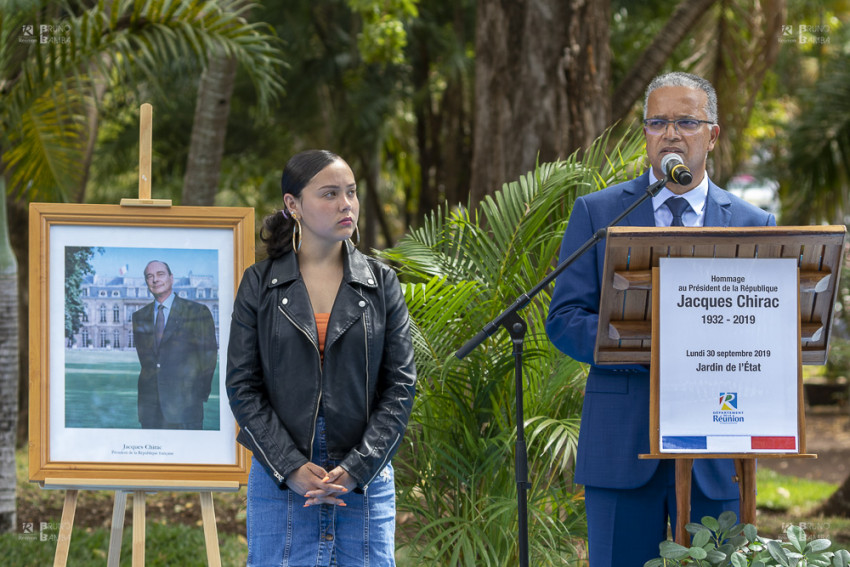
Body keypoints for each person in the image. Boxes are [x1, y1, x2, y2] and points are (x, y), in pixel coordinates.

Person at [545, 72, 776, 566]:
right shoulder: (600, 212)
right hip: (622, 444)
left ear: (713, 134)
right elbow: (564, 318)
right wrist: (651, 350)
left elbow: (767, 327)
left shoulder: (754, 224)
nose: (671, 133)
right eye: (657, 122)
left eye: (686, 121)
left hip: (720, 448)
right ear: (646, 134)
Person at [226, 149, 417, 566]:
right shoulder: (259, 284)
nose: (346, 204)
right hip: (281, 481)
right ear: (293, 205)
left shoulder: (382, 283)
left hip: (363, 481)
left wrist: (359, 467)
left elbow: (401, 386)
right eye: (329, 194)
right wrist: (290, 466)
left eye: (350, 192)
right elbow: (242, 386)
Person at [133, 260, 218, 430]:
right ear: (147, 283)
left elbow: (208, 357)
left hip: (185, 407)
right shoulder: (139, 317)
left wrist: (197, 395)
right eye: (150, 276)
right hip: (150, 409)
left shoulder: (197, 312)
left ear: (171, 278)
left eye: (160, 274)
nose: (155, 279)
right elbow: (147, 362)